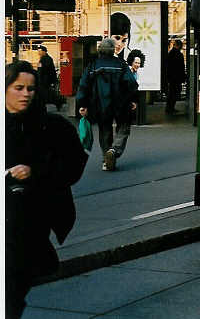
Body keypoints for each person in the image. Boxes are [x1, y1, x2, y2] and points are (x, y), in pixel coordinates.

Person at [6, 60, 88, 318]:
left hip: (30, 222)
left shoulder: (51, 126)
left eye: (30, 89)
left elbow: (74, 165)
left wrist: (35, 172)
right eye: (18, 87)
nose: (25, 94)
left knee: (13, 290)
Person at [76, 38, 138, 171]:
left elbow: (83, 85)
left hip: (99, 103)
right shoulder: (120, 64)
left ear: (100, 50)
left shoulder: (92, 66)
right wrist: (133, 99)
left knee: (105, 130)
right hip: (120, 103)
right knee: (124, 127)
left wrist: (82, 104)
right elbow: (131, 83)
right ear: (112, 50)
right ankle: (114, 150)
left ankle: (106, 159)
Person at [35, 45, 63, 111]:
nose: (39, 53)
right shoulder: (43, 58)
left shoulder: (46, 59)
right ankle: (57, 102)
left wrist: (51, 80)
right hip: (43, 80)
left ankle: (57, 102)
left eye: (40, 51)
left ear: (44, 51)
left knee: (46, 94)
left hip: (45, 80)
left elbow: (46, 71)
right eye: (38, 51)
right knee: (46, 94)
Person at [165, 39, 185, 115]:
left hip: (172, 77)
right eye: (181, 45)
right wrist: (183, 77)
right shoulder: (177, 54)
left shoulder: (171, 53)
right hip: (176, 78)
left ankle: (170, 108)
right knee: (174, 93)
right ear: (178, 45)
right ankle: (170, 108)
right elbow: (180, 67)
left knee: (172, 93)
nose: (182, 46)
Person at [127, 49, 146, 126]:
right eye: (136, 62)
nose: (137, 65)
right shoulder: (127, 71)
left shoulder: (136, 73)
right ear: (131, 61)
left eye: (139, 63)